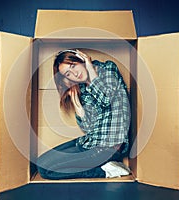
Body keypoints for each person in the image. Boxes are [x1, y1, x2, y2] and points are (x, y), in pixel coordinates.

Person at [36, 49, 131, 179]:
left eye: (73, 66)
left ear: (81, 60)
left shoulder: (107, 69)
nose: (75, 73)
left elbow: (107, 99)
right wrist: (77, 105)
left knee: (46, 171)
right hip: (90, 142)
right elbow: (89, 128)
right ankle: (103, 166)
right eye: (68, 73)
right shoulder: (83, 90)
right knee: (41, 163)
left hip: (108, 148)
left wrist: (90, 68)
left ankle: (106, 171)